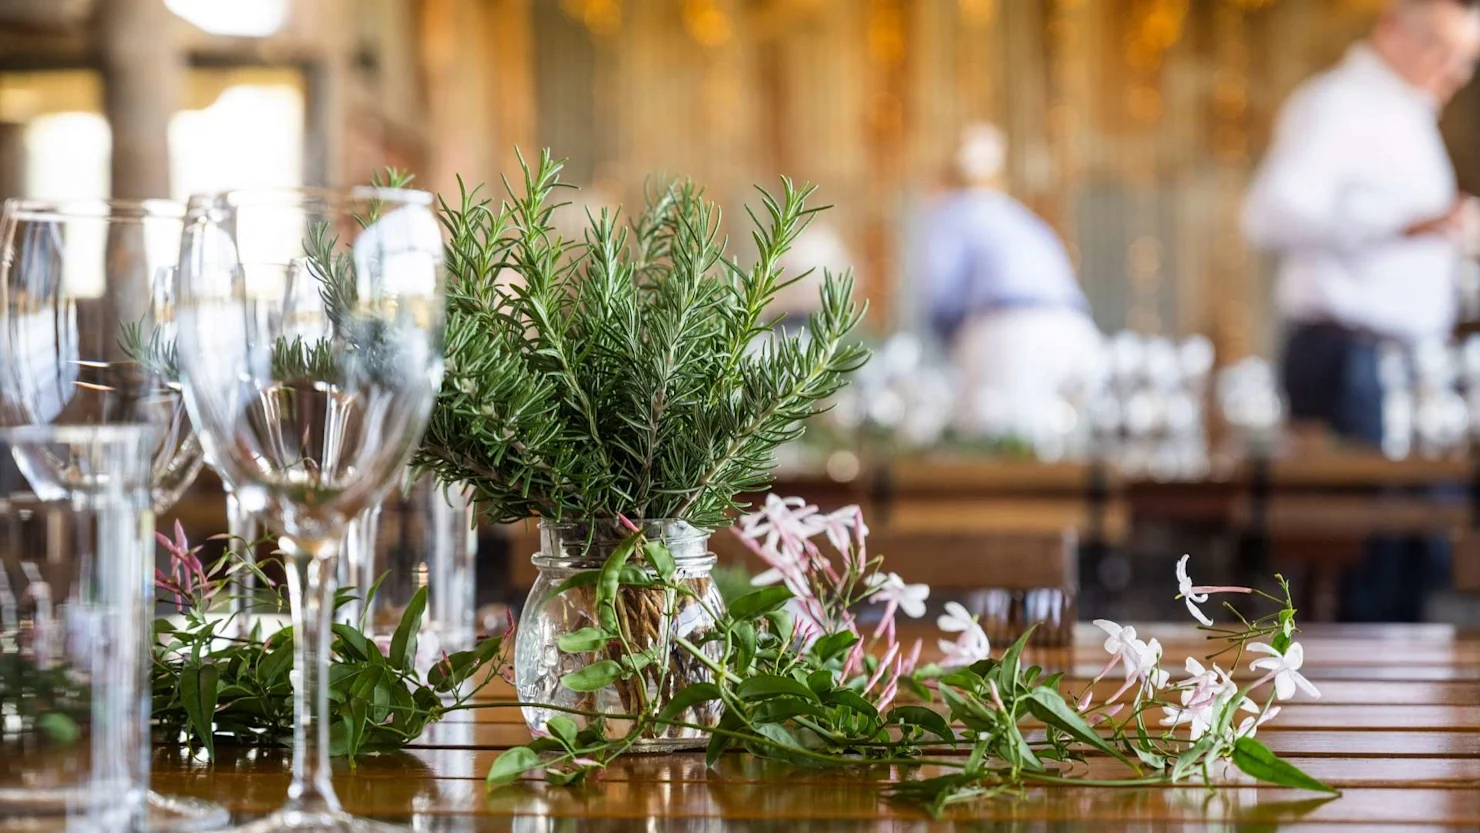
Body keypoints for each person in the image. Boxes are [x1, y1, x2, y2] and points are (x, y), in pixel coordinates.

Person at [1242, 0, 1480, 621]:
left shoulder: (1408, 115)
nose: (1454, 72)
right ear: (1391, 28)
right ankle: (1347, 717)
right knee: (1364, 570)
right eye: (1441, 49)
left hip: (1395, 366)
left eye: (1467, 60)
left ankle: (1404, 718)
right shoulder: (1340, 105)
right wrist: (1403, 223)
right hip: (1349, 359)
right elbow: (1268, 214)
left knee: (1411, 561)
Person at [918, 123, 1103, 438]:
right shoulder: (1014, 213)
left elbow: (941, 294)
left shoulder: (951, 211)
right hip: (1076, 334)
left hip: (1011, 335)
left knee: (1001, 455)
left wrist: (939, 352)